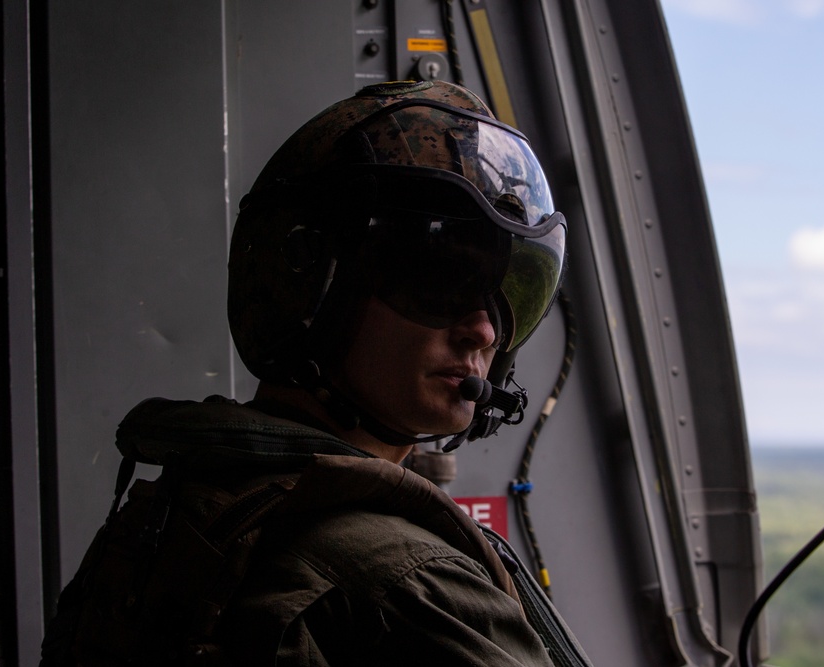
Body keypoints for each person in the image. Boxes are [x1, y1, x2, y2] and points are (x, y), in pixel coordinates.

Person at [41, 80, 583, 666]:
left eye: (504, 296)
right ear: (311, 286)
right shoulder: (406, 585)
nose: (483, 331)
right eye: (437, 282)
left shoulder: (171, 511)